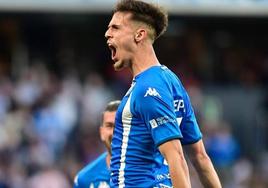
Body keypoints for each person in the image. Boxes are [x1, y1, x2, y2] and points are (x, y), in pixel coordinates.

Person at [105, 0, 221, 188]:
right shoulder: (170, 81)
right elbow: (200, 157)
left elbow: (176, 155)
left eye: (115, 28)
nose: (107, 33)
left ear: (139, 35)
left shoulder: (148, 88)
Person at [73, 100, 121, 188]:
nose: (115, 132)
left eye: (121, 125)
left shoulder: (152, 172)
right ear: (102, 132)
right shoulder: (85, 180)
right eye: (109, 126)